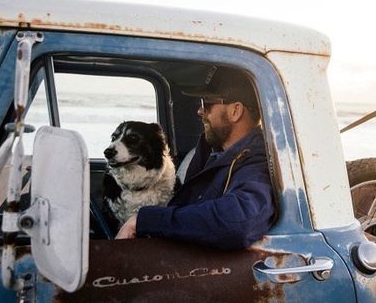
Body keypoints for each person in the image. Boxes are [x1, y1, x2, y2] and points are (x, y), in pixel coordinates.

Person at [116, 67, 275, 249]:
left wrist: (145, 220)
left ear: (235, 111)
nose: (200, 111)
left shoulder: (257, 163)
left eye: (206, 103)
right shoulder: (211, 153)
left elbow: (239, 221)